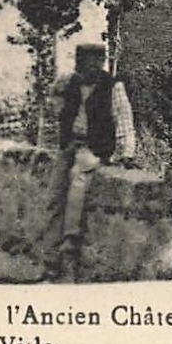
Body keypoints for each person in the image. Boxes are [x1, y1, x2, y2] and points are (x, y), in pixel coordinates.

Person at [42, 41, 119, 282]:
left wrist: (123, 155)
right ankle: (49, 258)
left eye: (92, 63)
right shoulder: (72, 84)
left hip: (94, 148)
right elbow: (55, 104)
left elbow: (124, 121)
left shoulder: (112, 87)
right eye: (82, 64)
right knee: (54, 194)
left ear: (100, 64)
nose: (86, 69)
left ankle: (70, 247)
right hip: (71, 145)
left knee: (78, 180)